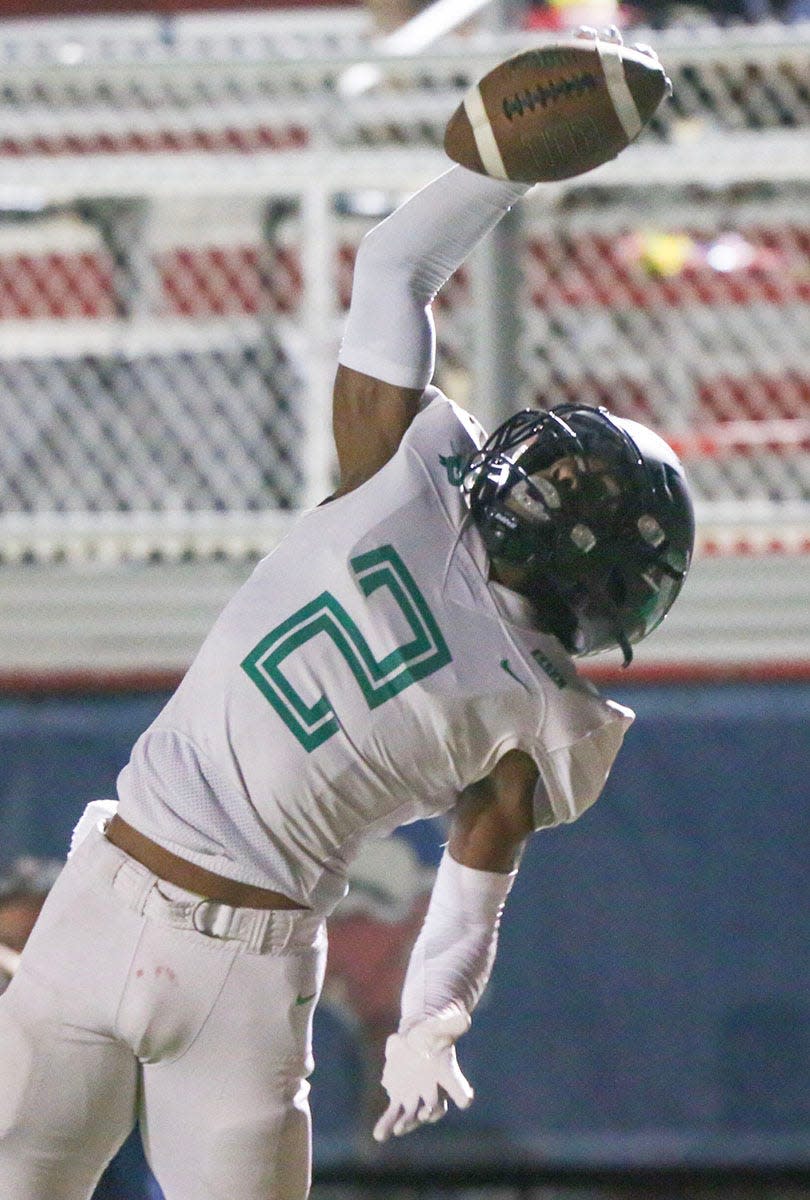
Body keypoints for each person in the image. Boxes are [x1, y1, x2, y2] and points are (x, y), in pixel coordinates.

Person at [0, 109, 695, 1199]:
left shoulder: (403, 479)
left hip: (144, 911)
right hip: (222, 955)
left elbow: (394, 261)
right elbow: (472, 903)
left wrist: (495, 173)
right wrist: (431, 1024)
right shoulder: (533, 705)